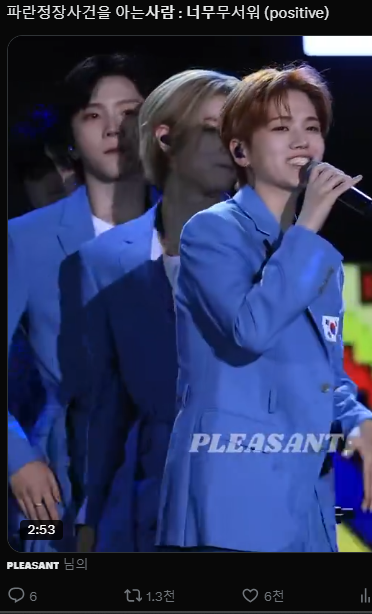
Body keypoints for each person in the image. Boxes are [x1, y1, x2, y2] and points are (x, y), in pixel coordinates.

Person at [157, 64, 372, 552]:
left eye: (312, 128)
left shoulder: (320, 257)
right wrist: (309, 224)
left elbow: (323, 374)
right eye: (282, 128)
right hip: (229, 503)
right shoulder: (211, 232)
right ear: (240, 151)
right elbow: (250, 330)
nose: (302, 141)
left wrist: (359, 419)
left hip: (304, 503)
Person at [77, 69, 239, 551]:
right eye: (213, 130)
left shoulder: (279, 254)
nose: (232, 146)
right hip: (149, 511)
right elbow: (102, 406)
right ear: (166, 139)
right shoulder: (105, 260)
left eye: (240, 132)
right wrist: (88, 517)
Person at [7, 53, 155, 552]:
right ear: (71, 139)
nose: (114, 128)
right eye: (94, 115)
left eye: (130, 112)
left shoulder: (200, 231)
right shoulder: (26, 240)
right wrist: (18, 459)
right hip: (65, 487)